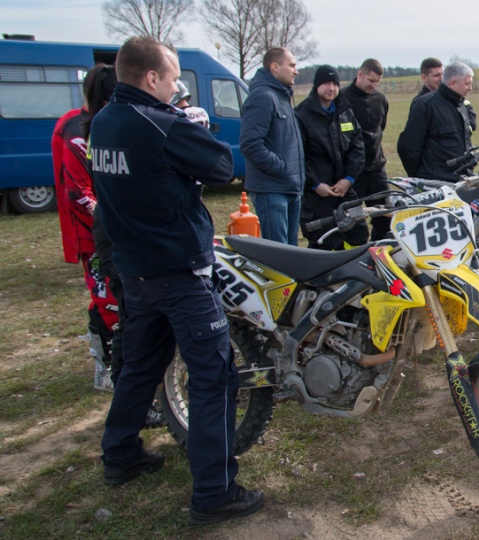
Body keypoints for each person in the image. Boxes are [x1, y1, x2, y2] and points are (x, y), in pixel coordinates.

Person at [90, 36, 263, 525]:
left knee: (141, 367)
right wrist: (192, 122)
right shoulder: (160, 124)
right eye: (172, 79)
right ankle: (215, 492)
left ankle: (119, 455)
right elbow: (223, 164)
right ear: (151, 78)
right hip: (179, 272)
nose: (176, 87)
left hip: (135, 269)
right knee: (214, 376)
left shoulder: (104, 121)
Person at [51, 64, 119, 392]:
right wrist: (110, 221)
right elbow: (78, 193)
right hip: (92, 233)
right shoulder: (78, 132)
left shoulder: (92, 125)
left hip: (106, 229)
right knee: (106, 299)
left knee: (111, 295)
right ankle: (105, 368)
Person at [295, 65, 369, 249]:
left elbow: (357, 146)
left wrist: (349, 178)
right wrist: (315, 184)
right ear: (317, 85)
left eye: (335, 84)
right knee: (324, 239)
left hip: (345, 188)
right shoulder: (302, 114)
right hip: (318, 193)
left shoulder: (345, 112)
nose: (332, 89)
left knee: (359, 233)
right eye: (327, 84)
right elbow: (298, 156)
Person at [240, 47, 305, 245]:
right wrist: (280, 167)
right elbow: (250, 143)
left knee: (291, 253)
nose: (296, 71)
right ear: (275, 67)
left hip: (291, 187)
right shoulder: (263, 97)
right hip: (272, 189)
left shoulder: (282, 97)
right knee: (278, 254)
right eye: (292, 65)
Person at [397, 61, 475, 182]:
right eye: (467, 84)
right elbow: (408, 147)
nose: (470, 88)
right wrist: (421, 177)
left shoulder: (461, 105)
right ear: (453, 83)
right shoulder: (425, 105)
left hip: (462, 179)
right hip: (436, 182)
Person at [343, 58, 391, 240]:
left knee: (384, 217)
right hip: (353, 172)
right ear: (360, 75)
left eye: (377, 82)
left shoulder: (380, 100)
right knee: (353, 220)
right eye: (371, 81)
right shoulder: (343, 99)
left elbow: (380, 128)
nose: (374, 85)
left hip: (377, 170)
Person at [412, 57, 476, 131]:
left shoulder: (454, 98)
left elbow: (470, 125)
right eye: (436, 75)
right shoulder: (422, 104)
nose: (442, 78)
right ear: (424, 77)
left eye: (443, 74)